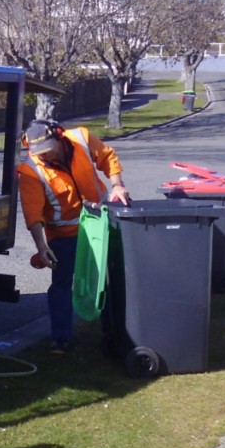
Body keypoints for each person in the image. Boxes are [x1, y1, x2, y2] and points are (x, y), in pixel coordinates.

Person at [17, 119, 130, 354]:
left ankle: (114, 330)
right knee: (62, 285)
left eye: (48, 151)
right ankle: (61, 338)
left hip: (100, 225)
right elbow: (33, 212)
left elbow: (108, 157)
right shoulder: (30, 170)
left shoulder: (81, 138)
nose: (44, 157)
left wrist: (117, 185)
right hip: (63, 235)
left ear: (59, 136)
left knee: (107, 280)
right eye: (39, 153)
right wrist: (41, 247)